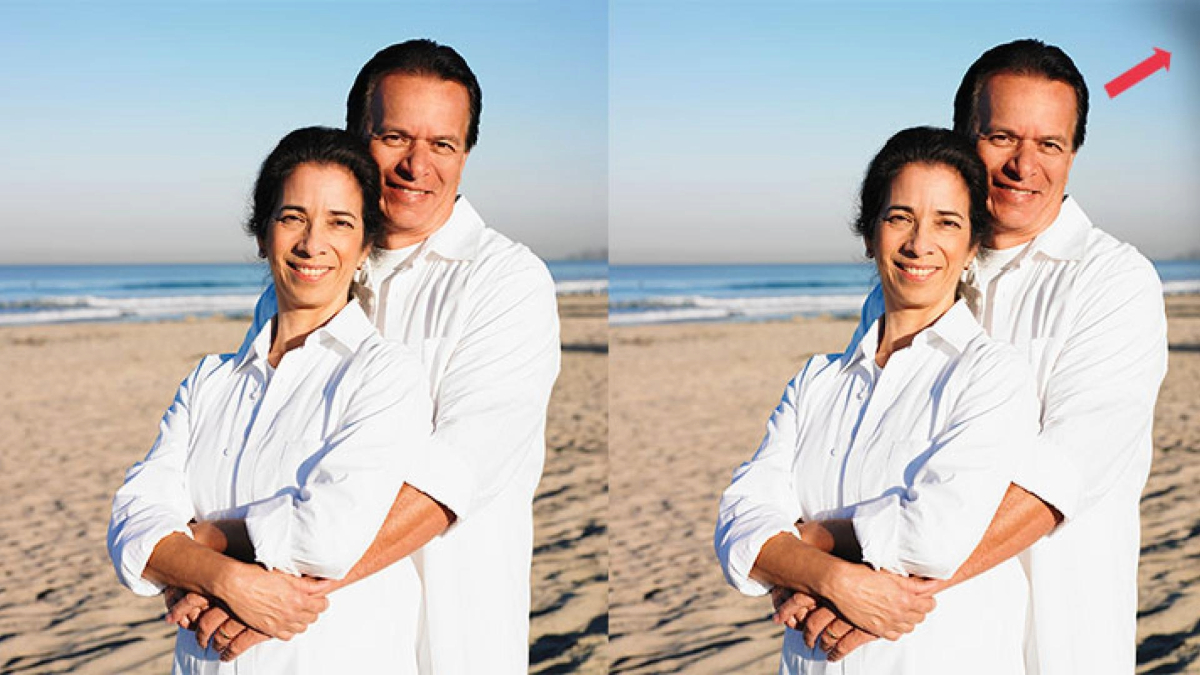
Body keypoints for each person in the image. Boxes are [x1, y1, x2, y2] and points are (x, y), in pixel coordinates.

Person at [167, 39, 561, 673]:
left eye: (443, 145)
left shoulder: (506, 280)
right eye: (394, 138)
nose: (416, 166)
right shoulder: (306, 273)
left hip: (451, 631)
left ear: (466, 154)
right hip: (316, 643)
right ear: (356, 138)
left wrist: (258, 586)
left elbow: (450, 479)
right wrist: (221, 576)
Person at [780, 39, 1168, 674]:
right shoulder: (914, 274)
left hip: (1056, 636)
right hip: (922, 645)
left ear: (1073, 153)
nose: (1024, 165)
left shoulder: (1112, 280)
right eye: (1001, 138)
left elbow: (1057, 479)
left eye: (1050, 145)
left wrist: (853, 580)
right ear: (963, 137)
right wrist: (825, 574)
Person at [715, 126, 1042, 674]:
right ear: (870, 236)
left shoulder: (992, 375)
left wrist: (797, 549)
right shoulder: (816, 381)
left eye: (946, 222)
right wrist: (829, 578)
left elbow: (936, 535)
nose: (919, 243)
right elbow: (738, 522)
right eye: (899, 218)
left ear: (971, 246)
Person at [108, 126, 434, 673]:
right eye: (292, 218)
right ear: (262, 236)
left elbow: (330, 535)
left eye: (339, 222)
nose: (312, 243)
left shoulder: (385, 375)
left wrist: (188, 550)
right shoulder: (209, 381)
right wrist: (221, 578)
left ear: (364, 246)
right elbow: (131, 521)